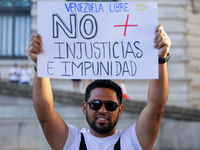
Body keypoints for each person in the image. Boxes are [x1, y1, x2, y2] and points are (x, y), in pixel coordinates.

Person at [26, 24, 171, 150]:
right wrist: (41, 65)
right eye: (95, 104)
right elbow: (44, 113)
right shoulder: (71, 141)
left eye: (110, 105)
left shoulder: (133, 141)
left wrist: (161, 59)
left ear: (120, 110)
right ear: (84, 107)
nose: (102, 110)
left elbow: (155, 109)